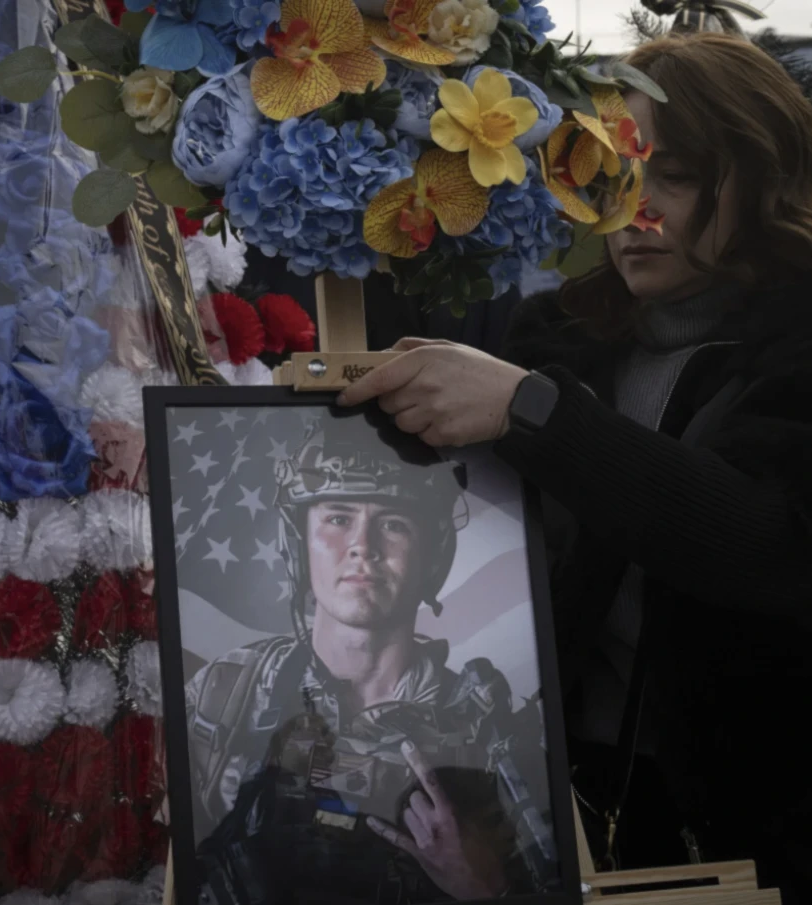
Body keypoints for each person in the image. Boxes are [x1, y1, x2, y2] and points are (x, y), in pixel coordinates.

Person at [338, 31, 812, 905]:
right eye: (612, 177)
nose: (635, 211)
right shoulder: (555, 337)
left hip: (758, 833)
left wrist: (534, 414)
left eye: (670, 176)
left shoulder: (794, 345)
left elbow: (768, 544)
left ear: (764, 172)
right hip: (551, 817)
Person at [185, 412, 559, 904]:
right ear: (299, 544)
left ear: (433, 554)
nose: (363, 547)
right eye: (339, 517)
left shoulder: (489, 734)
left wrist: (484, 889)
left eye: (394, 522)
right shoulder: (227, 693)